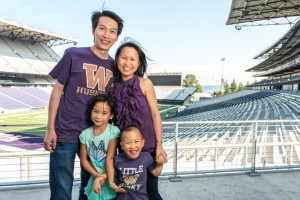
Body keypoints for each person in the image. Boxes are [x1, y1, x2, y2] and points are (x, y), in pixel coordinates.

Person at [43, 10, 124, 200]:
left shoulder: (115, 67)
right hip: (66, 131)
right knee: (61, 188)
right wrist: (50, 129)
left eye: (112, 31)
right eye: (102, 28)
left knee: (89, 189)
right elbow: (56, 91)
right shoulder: (73, 54)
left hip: (96, 138)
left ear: (117, 37)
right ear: (93, 30)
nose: (106, 35)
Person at [107, 38, 168, 200]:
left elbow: (156, 115)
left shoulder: (145, 83)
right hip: (126, 149)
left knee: (151, 192)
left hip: (147, 147)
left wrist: (159, 145)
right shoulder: (112, 88)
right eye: (123, 58)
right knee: (129, 192)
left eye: (132, 59)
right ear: (117, 59)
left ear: (139, 62)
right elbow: (112, 122)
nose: (127, 63)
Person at [79, 94, 120, 200]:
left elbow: (111, 158)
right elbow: (83, 160)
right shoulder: (85, 134)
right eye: (95, 111)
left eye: (104, 113)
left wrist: (105, 176)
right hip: (95, 177)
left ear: (111, 116)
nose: (98, 116)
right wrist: (97, 176)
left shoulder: (113, 131)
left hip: (111, 176)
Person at [113, 126, 163, 200]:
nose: (132, 146)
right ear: (122, 146)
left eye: (136, 142)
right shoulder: (117, 159)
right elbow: (111, 175)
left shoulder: (146, 157)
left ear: (142, 143)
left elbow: (156, 173)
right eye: (128, 143)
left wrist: (160, 163)